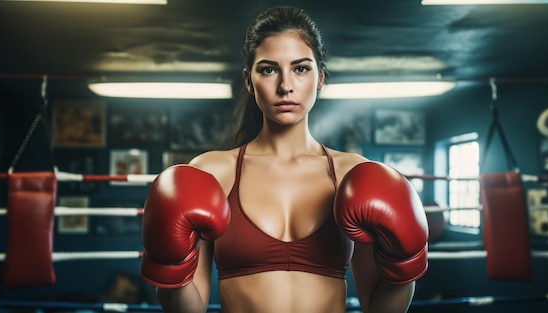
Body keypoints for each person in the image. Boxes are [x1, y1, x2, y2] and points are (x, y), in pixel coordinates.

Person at [140, 6, 429, 313]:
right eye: (268, 69)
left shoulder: (352, 174)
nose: (285, 86)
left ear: (320, 78)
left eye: (301, 68)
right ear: (249, 81)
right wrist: (170, 268)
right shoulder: (213, 173)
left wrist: (403, 267)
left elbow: (380, 309)